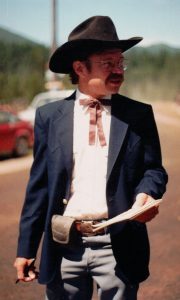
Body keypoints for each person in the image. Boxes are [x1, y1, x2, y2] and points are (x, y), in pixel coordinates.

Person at [14, 16, 168, 300]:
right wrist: (26, 248)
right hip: (64, 247)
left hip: (119, 245)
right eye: (108, 63)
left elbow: (154, 170)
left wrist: (147, 192)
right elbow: (39, 187)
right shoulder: (49, 117)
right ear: (79, 68)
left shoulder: (139, 114)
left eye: (121, 62)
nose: (118, 70)